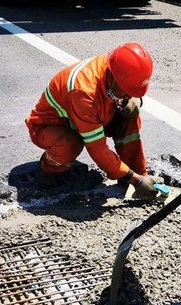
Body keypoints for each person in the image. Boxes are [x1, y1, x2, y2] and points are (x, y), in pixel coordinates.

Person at [25, 42, 163, 194]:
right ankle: (48, 167)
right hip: (50, 126)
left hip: (86, 117)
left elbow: (117, 94)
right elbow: (97, 148)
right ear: (115, 78)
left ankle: (135, 173)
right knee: (69, 145)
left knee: (129, 115)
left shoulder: (115, 66)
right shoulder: (83, 91)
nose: (128, 95)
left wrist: (130, 97)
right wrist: (137, 181)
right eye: (126, 91)